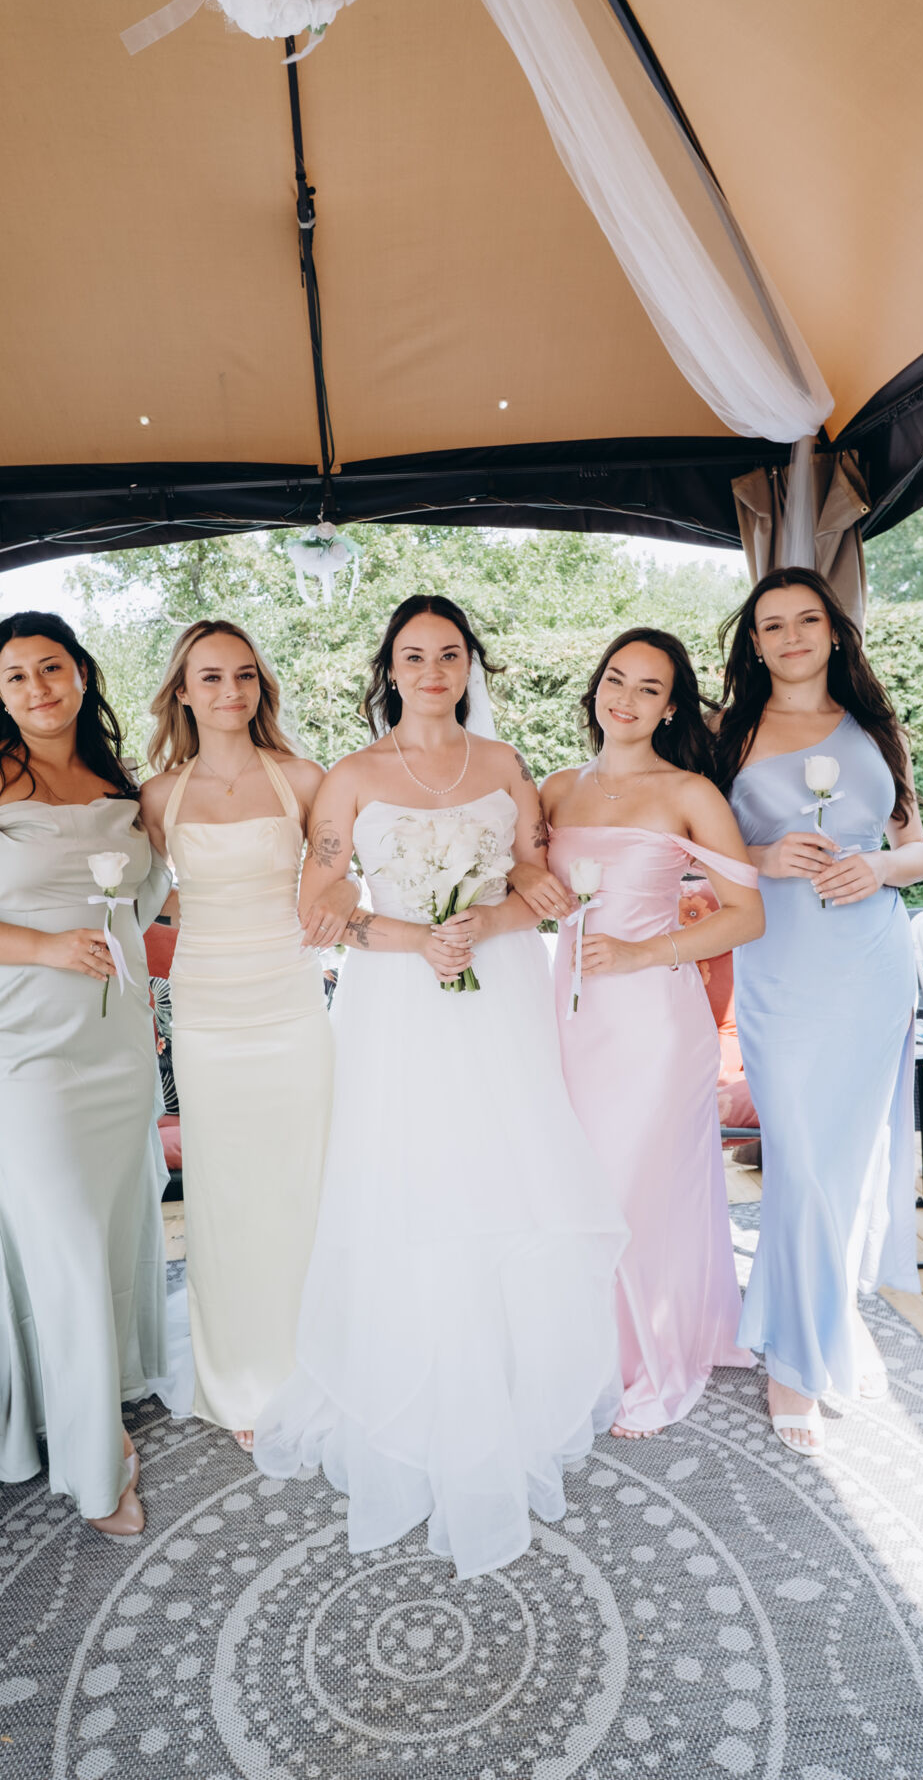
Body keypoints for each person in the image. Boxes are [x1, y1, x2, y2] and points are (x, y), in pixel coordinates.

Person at [252, 595, 627, 1579]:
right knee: (411, 1173)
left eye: (448, 654)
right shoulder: (349, 778)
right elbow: (317, 904)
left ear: (469, 666)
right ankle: (412, 1378)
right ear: (390, 668)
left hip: (500, 991)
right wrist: (416, 939)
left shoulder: (503, 765)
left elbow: (537, 885)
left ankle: (503, 1376)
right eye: (413, 656)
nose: (431, 671)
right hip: (396, 1001)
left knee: (504, 1169)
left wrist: (491, 921)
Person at [0, 611, 170, 1536]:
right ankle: (96, 1460)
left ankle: (106, 1381)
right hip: (19, 1044)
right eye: (15, 676)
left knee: (111, 1222)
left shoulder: (122, 783)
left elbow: (141, 909)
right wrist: (46, 947)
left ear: (82, 673)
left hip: (113, 1039)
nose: (37, 688)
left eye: (51, 668)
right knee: (60, 1232)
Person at [509, 628, 763, 1437]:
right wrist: (529, 879)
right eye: (616, 679)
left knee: (637, 1185)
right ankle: (587, 1347)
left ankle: (653, 1361)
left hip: (654, 1018)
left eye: (648, 688)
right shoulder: (554, 789)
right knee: (577, 1182)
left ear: (671, 707)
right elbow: (517, 870)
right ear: (596, 688)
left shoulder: (690, 792)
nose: (625, 698)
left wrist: (642, 951)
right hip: (570, 1015)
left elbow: (746, 915)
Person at [715, 567, 923, 1454]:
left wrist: (875, 866)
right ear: (754, 642)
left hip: (871, 962)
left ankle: (828, 1319)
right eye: (773, 624)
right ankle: (794, 1361)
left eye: (808, 619)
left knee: (847, 1159)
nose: (792, 635)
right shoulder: (727, 733)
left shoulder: (880, 728)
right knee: (800, 1159)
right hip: (782, 965)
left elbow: (917, 852)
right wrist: (762, 858)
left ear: (834, 631)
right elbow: (690, 848)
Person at [140, 620, 352, 1452]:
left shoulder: (303, 777)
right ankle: (243, 1380)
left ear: (261, 686)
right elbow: (152, 896)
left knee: (306, 1182)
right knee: (224, 1193)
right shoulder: (158, 796)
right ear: (183, 692)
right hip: (206, 1008)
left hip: (291, 1002)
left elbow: (340, 875)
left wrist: (341, 898)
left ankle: (321, 1365)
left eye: (244, 675)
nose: (229, 691)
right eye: (210, 677)